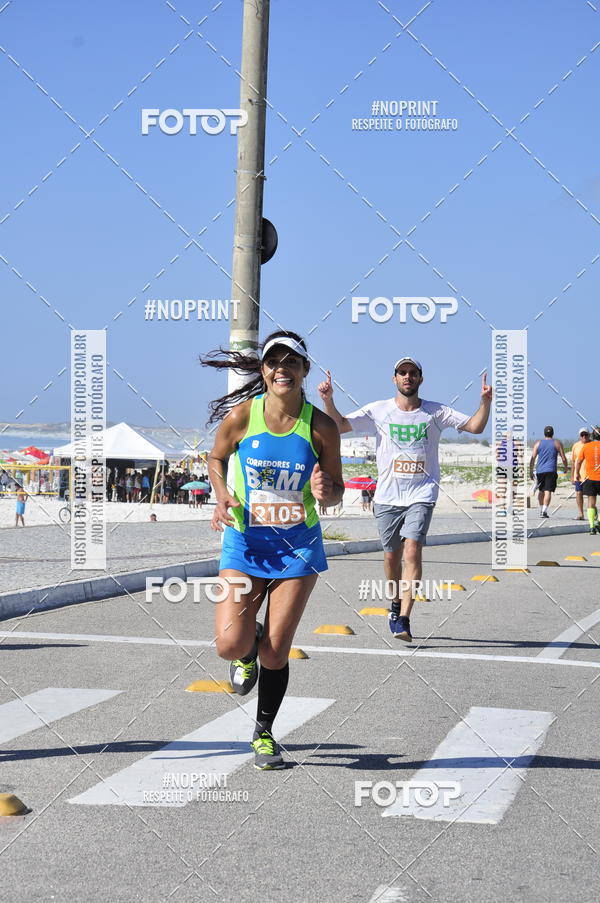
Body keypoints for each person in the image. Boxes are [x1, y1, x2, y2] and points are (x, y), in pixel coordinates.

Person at [202, 330, 343, 770]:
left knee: (277, 653)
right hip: (244, 543)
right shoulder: (243, 416)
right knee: (229, 644)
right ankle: (247, 649)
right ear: (263, 370)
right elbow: (215, 458)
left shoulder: (321, 426)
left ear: (304, 369)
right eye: (272, 361)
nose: (281, 367)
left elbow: (336, 492)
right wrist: (222, 493)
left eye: (291, 361)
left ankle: (263, 734)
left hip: (297, 547)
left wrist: (326, 491)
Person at [318, 357, 492, 642]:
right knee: (391, 557)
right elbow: (339, 425)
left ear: (421, 379)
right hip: (387, 496)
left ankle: (405, 619)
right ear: (394, 378)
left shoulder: (436, 412)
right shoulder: (379, 410)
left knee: (412, 550)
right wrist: (328, 399)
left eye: (413, 373)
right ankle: (395, 602)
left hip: (421, 493)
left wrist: (485, 402)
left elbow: (475, 427)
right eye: (402, 373)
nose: (407, 377)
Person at [529, 426, 568, 518]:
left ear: (544, 433)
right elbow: (563, 458)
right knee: (548, 491)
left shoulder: (538, 443)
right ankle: (544, 511)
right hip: (551, 471)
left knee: (541, 491)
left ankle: (541, 509)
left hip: (540, 471)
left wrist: (530, 471)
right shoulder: (557, 443)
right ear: (553, 433)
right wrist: (566, 468)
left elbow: (533, 458)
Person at [574, 427, 600, 535]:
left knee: (591, 501)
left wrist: (577, 473)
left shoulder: (586, 446)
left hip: (589, 478)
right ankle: (598, 521)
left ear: (592, 436)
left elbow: (578, 461)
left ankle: (591, 526)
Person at [571, 428, 590, 520]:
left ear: (589, 435)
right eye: (582, 435)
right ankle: (581, 513)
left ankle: (592, 513)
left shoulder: (592, 444)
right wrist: (572, 476)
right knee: (579, 493)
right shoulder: (576, 446)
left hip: (590, 475)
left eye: (586, 435)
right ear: (580, 436)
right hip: (578, 475)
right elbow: (574, 461)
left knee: (591, 495)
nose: (584, 437)